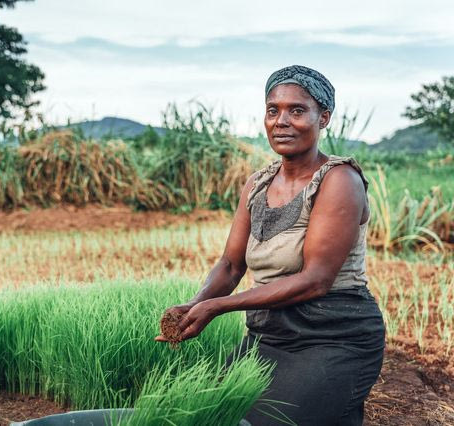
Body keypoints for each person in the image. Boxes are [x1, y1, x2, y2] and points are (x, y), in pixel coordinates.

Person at [155, 65, 385, 425]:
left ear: (323, 118)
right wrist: (193, 305)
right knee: (214, 415)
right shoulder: (257, 184)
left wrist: (217, 307)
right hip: (269, 333)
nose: (282, 121)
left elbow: (316, 279)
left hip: (333, 334)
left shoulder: (339, 180)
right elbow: (231, 266)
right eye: (273, 110)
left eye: (297, 110)